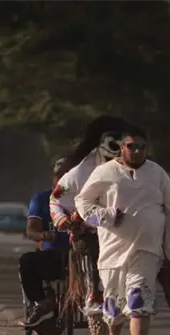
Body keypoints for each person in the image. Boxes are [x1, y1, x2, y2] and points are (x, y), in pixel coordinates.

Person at [74, 125, 170, 335]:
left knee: (138, 301)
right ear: (122, 148)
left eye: (142, 147)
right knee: (113, 307)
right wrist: (106, 216)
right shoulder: (105, 172)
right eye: (131, 146)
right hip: (112, 251)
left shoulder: (158, 174)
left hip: (146, 250)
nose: (137, 151)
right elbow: (82, 202)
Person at [19, 159, 111, 335]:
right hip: (55, 255)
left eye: (69, 175)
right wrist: (44, 235)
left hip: (84, 253)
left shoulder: (90, 196)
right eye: (60, 175)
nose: (64, 179)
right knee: (26, 261)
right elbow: (32, 230)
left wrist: (86, 225)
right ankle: (42, 303)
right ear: (54, 178)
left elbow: (103, 219)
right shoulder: (44, 199)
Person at [50, 115, 129, 316]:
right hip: (90, 229)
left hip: (127, 231)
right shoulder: (79, 174)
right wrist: (64, 219)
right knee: (89, 246)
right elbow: (56, 199)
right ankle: (93, 294)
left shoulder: (140, 170)